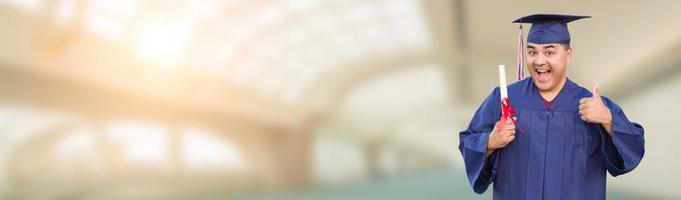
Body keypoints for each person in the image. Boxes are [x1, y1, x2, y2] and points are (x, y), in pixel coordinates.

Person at [458, 14, 645, 200]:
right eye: (532, 52)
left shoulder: (593, 105)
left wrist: (608, 119)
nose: (539, 61)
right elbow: (468, 141)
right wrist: (490, 142)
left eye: (549, 52)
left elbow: (633, 149)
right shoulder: (504, 99)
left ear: (568, 54)